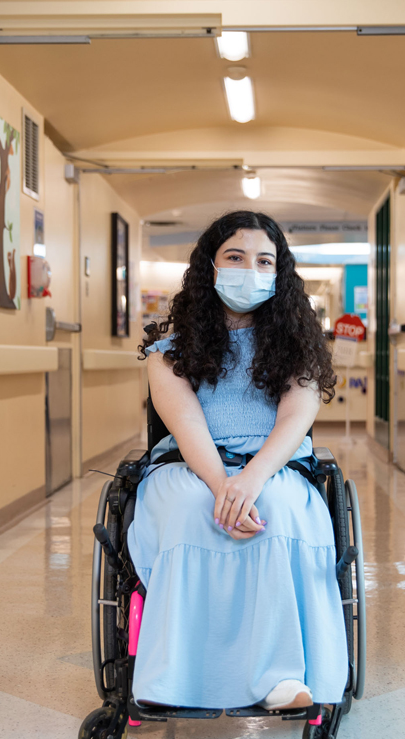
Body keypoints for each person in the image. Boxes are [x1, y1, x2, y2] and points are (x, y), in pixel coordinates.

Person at [128, 210, 348, 711]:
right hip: (190, 466)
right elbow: (186, 426)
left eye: (264, 261)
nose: (250, 269)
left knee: (278, 508)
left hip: (274, 465)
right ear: (210, 266)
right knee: (189, 510)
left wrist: (250, 479)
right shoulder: (169, 352)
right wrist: (222, 484)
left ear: (279, 273)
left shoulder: (300, 347)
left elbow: (296, 420)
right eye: (236, 257)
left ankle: (282, 678)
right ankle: (172, 679)